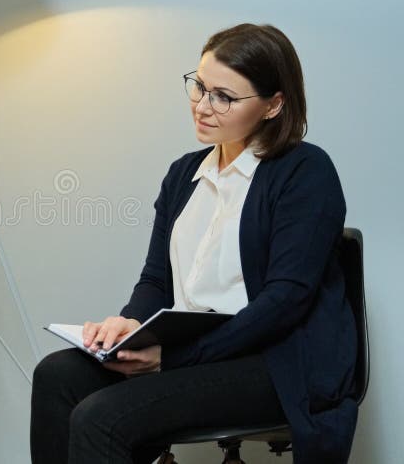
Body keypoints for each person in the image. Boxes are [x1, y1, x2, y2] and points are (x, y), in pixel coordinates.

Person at [30, 24, 357, 464]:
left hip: (274, 361)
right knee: (55, 376)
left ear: (273, 105)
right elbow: (155, 279)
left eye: (224, 96)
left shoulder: (305, 171)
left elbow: (286, 300)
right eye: (199, 87)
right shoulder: (184, 174)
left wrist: (173, 358)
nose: (203, 107)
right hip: (195, 352)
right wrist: (128, 325)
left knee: (102, 417)